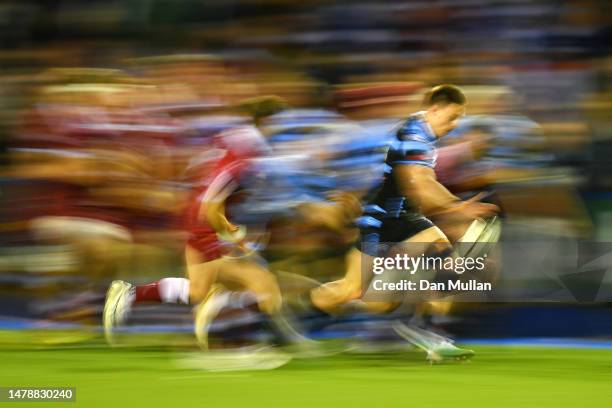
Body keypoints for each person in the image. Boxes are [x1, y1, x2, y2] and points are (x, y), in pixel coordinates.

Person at [306, 84, 499, 361]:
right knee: (355, 291)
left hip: (404, 217)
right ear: (434, 109)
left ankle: (431, 336)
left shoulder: (420, 133)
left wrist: (454, 207)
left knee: (443, 265)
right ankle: (292, 314)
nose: (454, 125)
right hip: (382, 220)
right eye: (451, 117)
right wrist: (457, 207)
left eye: (459, 119)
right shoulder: (414, 135)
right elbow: (419, 185)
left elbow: (418, 186)